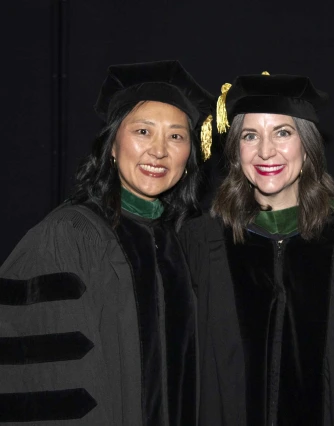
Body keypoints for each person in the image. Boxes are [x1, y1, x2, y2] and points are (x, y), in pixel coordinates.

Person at [0, 60, 214, 425]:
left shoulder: (178, 241)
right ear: (113, 145)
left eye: (176, 136)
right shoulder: (67, 237)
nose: (159, 151)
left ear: (189, 158)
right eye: (143, 132)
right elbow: (46, 383)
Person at [180, 72, 334, 426]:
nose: (266, 151)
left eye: (283, 132)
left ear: (306, 146)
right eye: (250, 136)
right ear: (236, 150)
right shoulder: (203, 241)